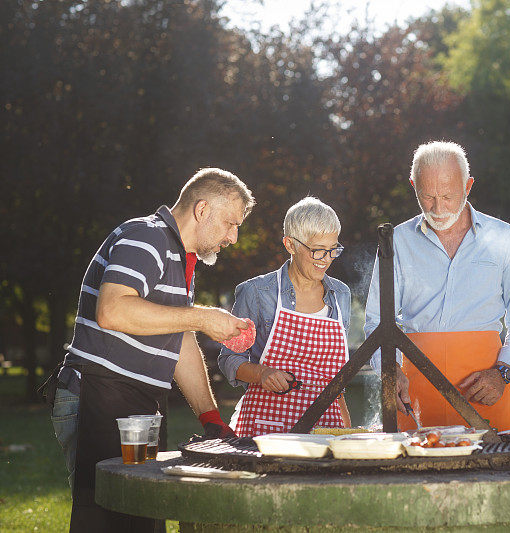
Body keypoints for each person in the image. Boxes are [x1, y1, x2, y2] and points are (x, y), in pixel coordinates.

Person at [52, 168, 255, 532]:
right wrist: (203, 317)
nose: (234, 237)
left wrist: (212, 421)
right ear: (202, 209)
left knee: (144, 514)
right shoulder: (146, 236)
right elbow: (113, 310)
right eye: (229, 223)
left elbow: (180, 340)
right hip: (98, 394)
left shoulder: (182, 260)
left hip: (138, 407)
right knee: (107, 519)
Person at [364, 141, 510, 431]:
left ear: (468, 186)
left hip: (485, 389)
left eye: (448, 196)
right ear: (413, 186)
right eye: (428, 196)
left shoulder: (505, 237)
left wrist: (502, 373)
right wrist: (390, 369)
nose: (438, 208)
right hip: (413, 393)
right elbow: (376, 321)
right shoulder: (396, 241)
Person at [220, 197, 352, 435]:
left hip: (326, 429)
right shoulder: (257, 293)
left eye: (333, 250)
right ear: (290, 244)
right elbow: (229, 359)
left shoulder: (340, 295)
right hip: (266, 429)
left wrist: (348, 434)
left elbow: (337, 384)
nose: (326, 260)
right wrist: (262, 374)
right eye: (317, 251)